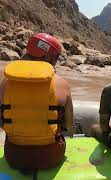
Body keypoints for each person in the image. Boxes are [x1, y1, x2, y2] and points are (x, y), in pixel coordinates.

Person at [0, 33, 73, 170]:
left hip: (14, 156)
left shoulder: (5, 83)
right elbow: (68, 125)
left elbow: (2, 122)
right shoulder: (63, 84)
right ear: (48, 57)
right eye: (56, 58)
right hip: (50, 156)